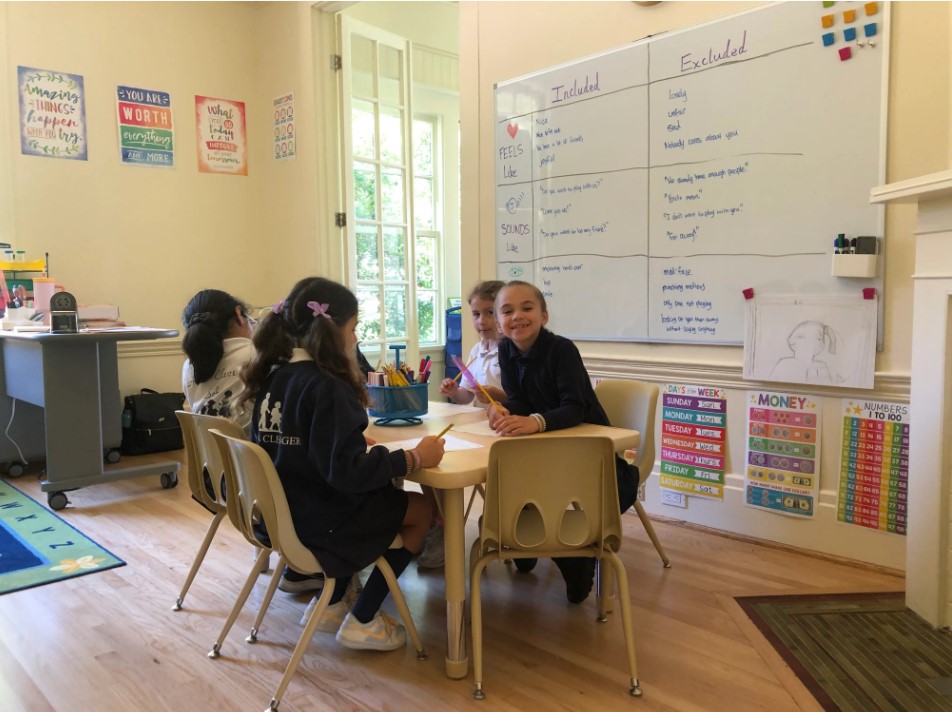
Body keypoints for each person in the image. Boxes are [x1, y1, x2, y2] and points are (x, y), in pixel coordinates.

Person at [238, 276, 445, 651]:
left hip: (282, 517)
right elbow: (347, 474)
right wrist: (415, 458)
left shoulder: (274, 377)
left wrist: (346, 441)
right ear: (331, 330)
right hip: (319, 522)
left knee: (371, 504)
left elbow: (293, 447)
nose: (355, 339)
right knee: (421, 509)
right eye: (353, 328)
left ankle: (331, 602)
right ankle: (364, 617)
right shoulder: (328, 385)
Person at [487, 280, 639, 604]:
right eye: (507, 311)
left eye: (527, 308)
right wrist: (501, 409)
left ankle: (575, 555)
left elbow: (574, 408)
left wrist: (534, 422)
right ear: (498, 322)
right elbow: (519, 400)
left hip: (589, 451)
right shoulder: (506, 350)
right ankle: (531, 541)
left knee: (559, 487)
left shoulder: (562, 349)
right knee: (517, 479)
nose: (517, 316)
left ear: (544, 316)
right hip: (543, 449)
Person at [413, 280, 507, 569]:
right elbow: (467, 396)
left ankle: (442, 530)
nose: (482, 321)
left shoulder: (512, 351)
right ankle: (438, 525)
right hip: (480, 428)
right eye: (476, 315)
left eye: (489, 313)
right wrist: (454, 391)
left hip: (504, 431)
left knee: (443, 461)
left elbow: (519, 398)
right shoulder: (477, 349)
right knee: (436, 458)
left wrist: (494, 395)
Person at [181, 288, 255, 433]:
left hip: (207, 453)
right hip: (250, 454)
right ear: (239, 314)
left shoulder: (188, 367)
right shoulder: (258, 355)